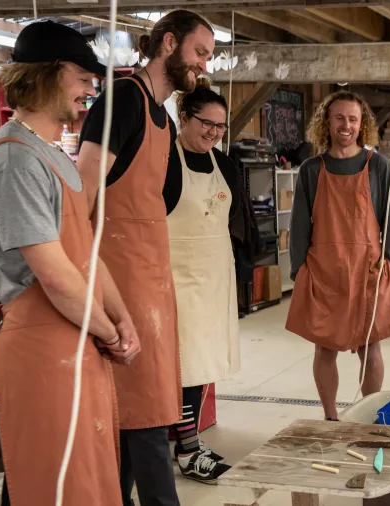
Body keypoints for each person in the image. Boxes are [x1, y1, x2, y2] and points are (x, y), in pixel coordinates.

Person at [0, 20, 140, 505]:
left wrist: (121, 315)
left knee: (85, 478)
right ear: (45, 74)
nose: (92, 90)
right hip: (43, 346)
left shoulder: (53, 156)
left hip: (75, 336)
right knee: (52, 482)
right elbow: (53, 272)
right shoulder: (12, 159)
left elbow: (84, 251)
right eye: (83, 77)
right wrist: (109, 332)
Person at [76, 10, 214, 506]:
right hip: (120, 278)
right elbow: (81, 197)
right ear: (168, 43)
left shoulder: (164, 115)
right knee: (148, 416)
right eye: (199, 53)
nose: (203, 65)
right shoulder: (123, 100)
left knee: (147, 410)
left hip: (152, 278)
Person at [286, 91, 390, 421]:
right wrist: (299, 270)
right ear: (327, 121)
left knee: (371, 345)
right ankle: (330, 416)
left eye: (353, 118)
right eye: (339, 118)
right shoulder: (311, 169)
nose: (346, 125)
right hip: (325, 272)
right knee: (326, 346)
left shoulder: (379, 166)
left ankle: (371, 414)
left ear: (362, 123)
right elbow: (298, 224)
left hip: (369, 270)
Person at [166, 79, 243, 484]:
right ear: (183, 118)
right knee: (185, 367)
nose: (214, 132)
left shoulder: (224, 164)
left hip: (214, 274)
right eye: (206, 123)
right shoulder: (163, 161)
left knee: (203, 364)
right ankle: (187, 450)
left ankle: (188, 440)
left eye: (220, 126)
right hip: (176, 276)